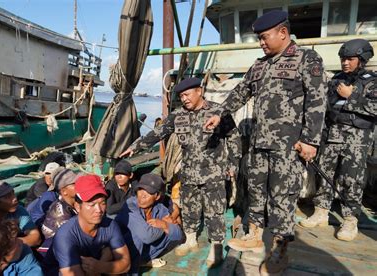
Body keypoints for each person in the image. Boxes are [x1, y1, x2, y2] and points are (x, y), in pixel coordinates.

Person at [204, 10, 327, 274]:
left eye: (264, 37)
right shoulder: (260, 65)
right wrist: (219, 113)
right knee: (257, 191)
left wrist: (310, 140)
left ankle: (280, 250)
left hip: (289, 145)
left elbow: (317, 102)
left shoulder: (306, 59)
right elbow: (241, 91)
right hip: (260, 142)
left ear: (283, 33)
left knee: (282, 198)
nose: (261, 42)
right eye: (259, 38)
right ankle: (255, 234)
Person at [120, 77, 240, 267]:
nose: (184, 99)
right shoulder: (178, 115)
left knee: (214, 211)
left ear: (199, 91)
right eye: (181, 96)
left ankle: (216, 248)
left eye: (187, 94)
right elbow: (159, 132)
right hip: (189, 173)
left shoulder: (218, 111)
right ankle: (190, 238)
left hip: (214, 174)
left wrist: (233, 164)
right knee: (190, 208)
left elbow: (233, 137)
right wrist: (136, 146)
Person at [300, 39, 376, 241]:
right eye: (343, 59)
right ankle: (321, 212)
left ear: (362, 60)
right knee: (325, 173)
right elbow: (324, 107)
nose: (345, 63)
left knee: (351, 179)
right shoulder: (335, 80)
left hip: (357, 138)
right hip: (333, 135)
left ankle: (350, 220)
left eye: (350, 59)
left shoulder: (372, 81)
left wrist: (352, 97)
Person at [43, 174, 130, 276]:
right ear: (77, 206)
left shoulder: (110, 225)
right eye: (91, 205)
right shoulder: (65, 235)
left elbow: (125, 264)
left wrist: (99, 266)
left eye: (102, 203)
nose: (98, 210)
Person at [115, 173, 183, 273]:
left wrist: (164, 225)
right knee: (138, 237)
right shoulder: (130, 205)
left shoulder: (160, 209)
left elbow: (178, 236)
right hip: (119, 253)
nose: (142, 195)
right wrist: (165, 224)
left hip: (141, 252)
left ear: (157, 196)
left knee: (171, 234)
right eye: (140, 190)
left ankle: (142, 261)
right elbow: (146, 236)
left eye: (148, 192)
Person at [38, 168, 79, 254]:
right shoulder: (61, 214)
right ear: (64, 192)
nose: (79, 185)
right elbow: (70, 241)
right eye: (74, 184)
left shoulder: (72, 203)